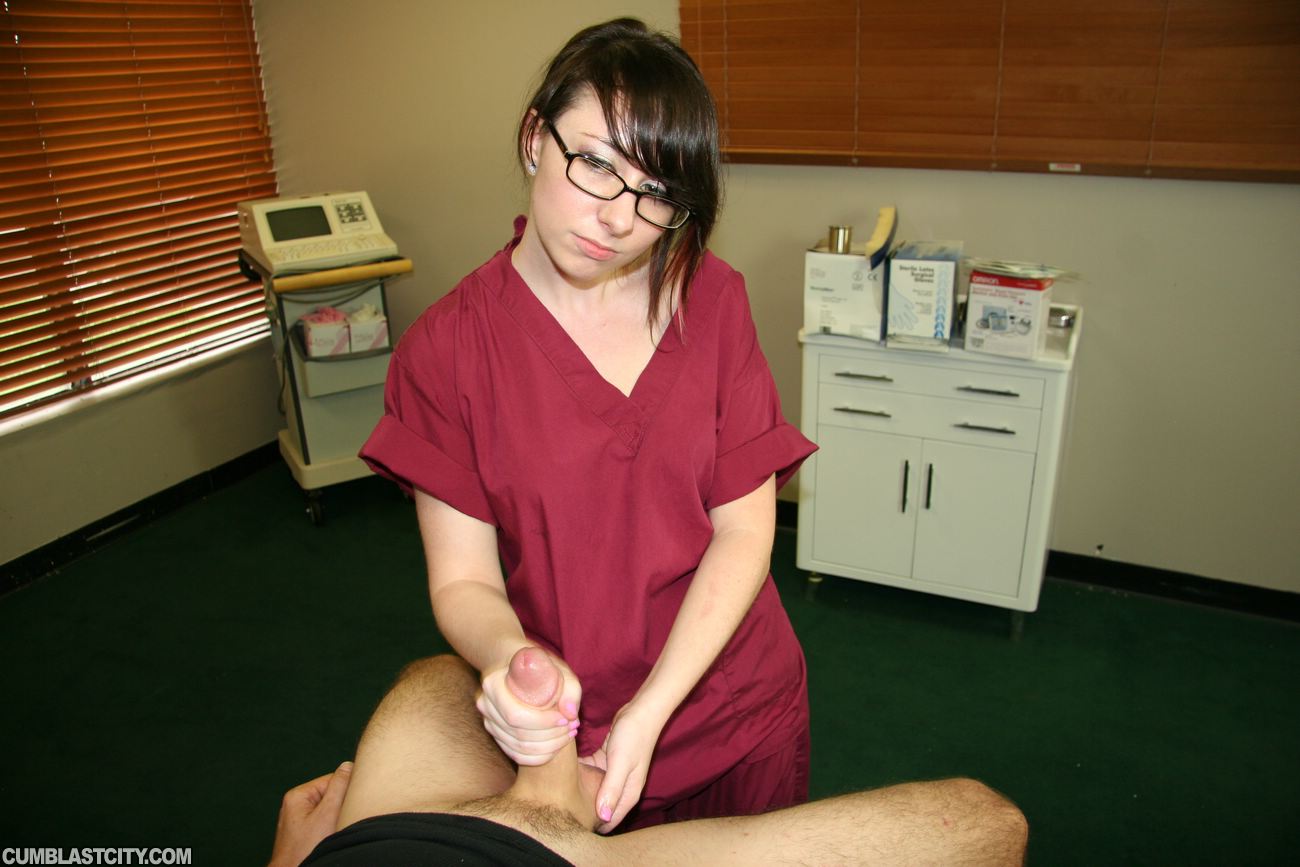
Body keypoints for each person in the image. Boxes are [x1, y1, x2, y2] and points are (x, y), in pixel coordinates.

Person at [359, 17, 816, 831]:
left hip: (735, 707)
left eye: (656, 191)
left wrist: (652, 709)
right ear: (535, 138)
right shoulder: (448, 351)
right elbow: (465, 581)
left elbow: (744, 531)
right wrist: (509, 658)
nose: (618, 217)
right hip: (575, 737)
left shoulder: (713, 300)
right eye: (597, 164)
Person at [267, 648, 1029, 866]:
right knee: (984, 825)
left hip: (370, 839)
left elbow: (443, 678)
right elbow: (991, 826)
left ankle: (547, 793)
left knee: (436, 677)